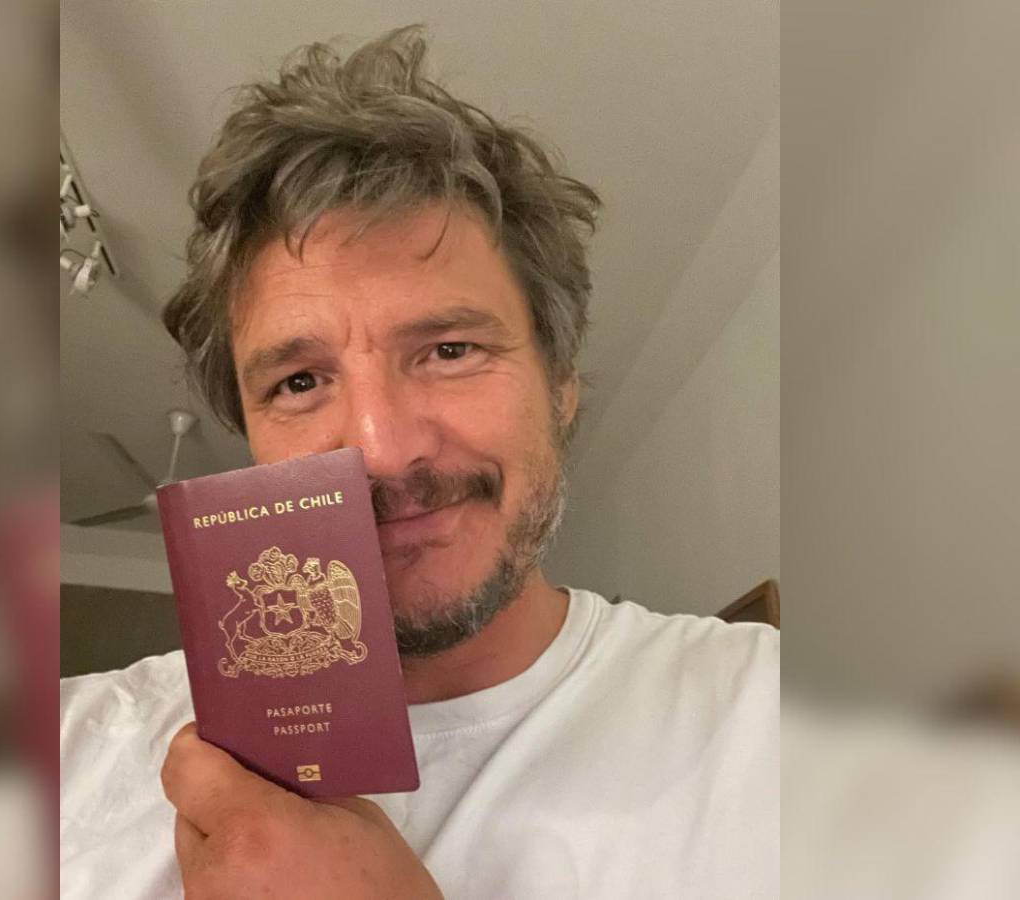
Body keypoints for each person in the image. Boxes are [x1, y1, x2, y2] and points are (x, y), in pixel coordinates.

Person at [60, 25, 778, 899]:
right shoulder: (66, 753)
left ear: (561, 384)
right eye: (299, 381)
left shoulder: (778, 726)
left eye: (449, 350)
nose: (384, 449)